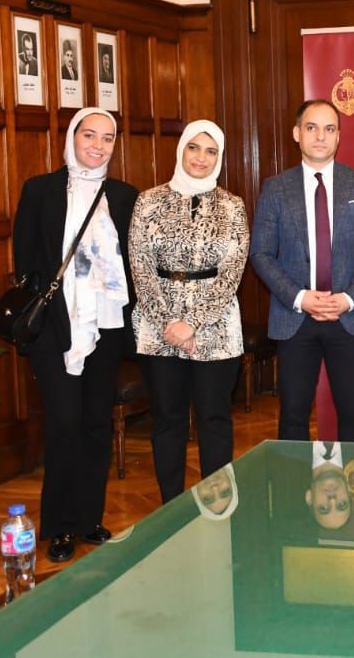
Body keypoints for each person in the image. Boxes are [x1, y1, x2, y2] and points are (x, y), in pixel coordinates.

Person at [11, 106, 137, 563]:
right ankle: (60, 526)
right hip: (55, 328)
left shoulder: (124, 196)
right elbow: (25, 261)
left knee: (95, 423)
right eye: (89, 135)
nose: (97, 145)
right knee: (63, 423)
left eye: (107, 138)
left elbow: (132, 263)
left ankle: (88, 519)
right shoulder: (40, 190)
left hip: (106, 325)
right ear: (72, 138)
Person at [250, 99, 354, 441]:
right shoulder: (275, 188)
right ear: (297, 133)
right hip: (295, 317)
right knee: (293, 416)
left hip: (348, 316)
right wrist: (299, 298)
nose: (320, 137)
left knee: (353, 415)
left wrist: (349, 298)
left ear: (339, 136)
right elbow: (261, 253)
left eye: (329, 129)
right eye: (312, 128)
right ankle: (293, 478)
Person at [129, 119, 248, 504]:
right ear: (181, 149)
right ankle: (172, 510)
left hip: (217, 328)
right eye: (194, 147)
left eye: (211, 151)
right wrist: (170, 324)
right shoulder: (148, 201)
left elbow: (232, 272)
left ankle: (217, 509)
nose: (201, 157)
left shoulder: (232, 205)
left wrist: (193, 323)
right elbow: (140, 268)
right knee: (168, 420)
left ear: (219, 157)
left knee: (215, 418)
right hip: (158, 327)